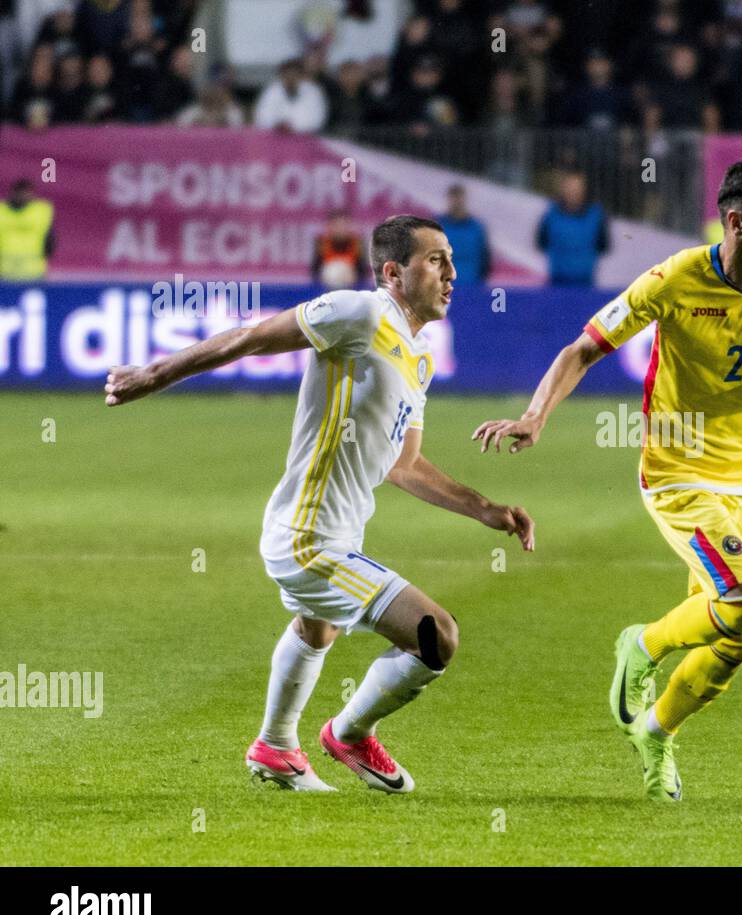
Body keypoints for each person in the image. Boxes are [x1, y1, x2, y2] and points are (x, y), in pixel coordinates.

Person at [473, 160, 742, 802]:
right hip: (678, 472)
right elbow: (583, 348)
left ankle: (656, 731)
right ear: (738, 223)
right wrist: (535, 417)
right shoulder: (674, 279)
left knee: (740, 637)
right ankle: (641, 645)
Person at [103, 216, 535, 793]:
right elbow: (247, 338)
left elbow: (401, 464)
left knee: (318, 627)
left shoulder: (420, 356)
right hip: (306, 538)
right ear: (392, 272)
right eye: (435, 260)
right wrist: (151, 375)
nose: (452, 273)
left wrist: (484, 508)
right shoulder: (358, 313)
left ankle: (275, 747)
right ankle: (351, 734)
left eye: (450, 260)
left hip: (338, 535)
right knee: (437, 635)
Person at [535, 170, 608, 286]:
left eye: (577, 188)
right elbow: (541, 242)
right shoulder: (551, 214)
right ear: (563, 189)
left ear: (584, 190)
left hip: (585, 284)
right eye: (570, 187)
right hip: (557, 282)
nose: (573, 192)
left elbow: (603, 245)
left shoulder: (596, 215)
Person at [0, 178, 55, 281]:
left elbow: (50, 241)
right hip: (4, 271)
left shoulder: (41, 211)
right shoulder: (2, 211)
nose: (23, 196)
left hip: (34, 271)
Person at [253, 58, 327, 133]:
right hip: (275, 136)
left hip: (304, 138)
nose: (290, 78)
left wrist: (293, 127)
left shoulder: (313, 92)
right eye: (287, 75)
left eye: (294, 75)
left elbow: (317, 120)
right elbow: (261, 118)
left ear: (301, 76)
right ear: (281, 76)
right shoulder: (271, 92)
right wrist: (277, 125)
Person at [438, 184, 490, 284]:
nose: (457, 202)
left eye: (460, 198)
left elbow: (485, 260)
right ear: (448, 200)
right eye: (454, 198)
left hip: (471, 286)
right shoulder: (437, 228)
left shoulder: (477, 229)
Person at [311, 209, 365, 289]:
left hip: (351, 288)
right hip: (327, 288)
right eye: (337, 225)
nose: (340, 228)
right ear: (330, 226)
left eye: (343, 225)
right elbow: (315, 271)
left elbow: (362, 272)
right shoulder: (322, 243)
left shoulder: (357, 243)